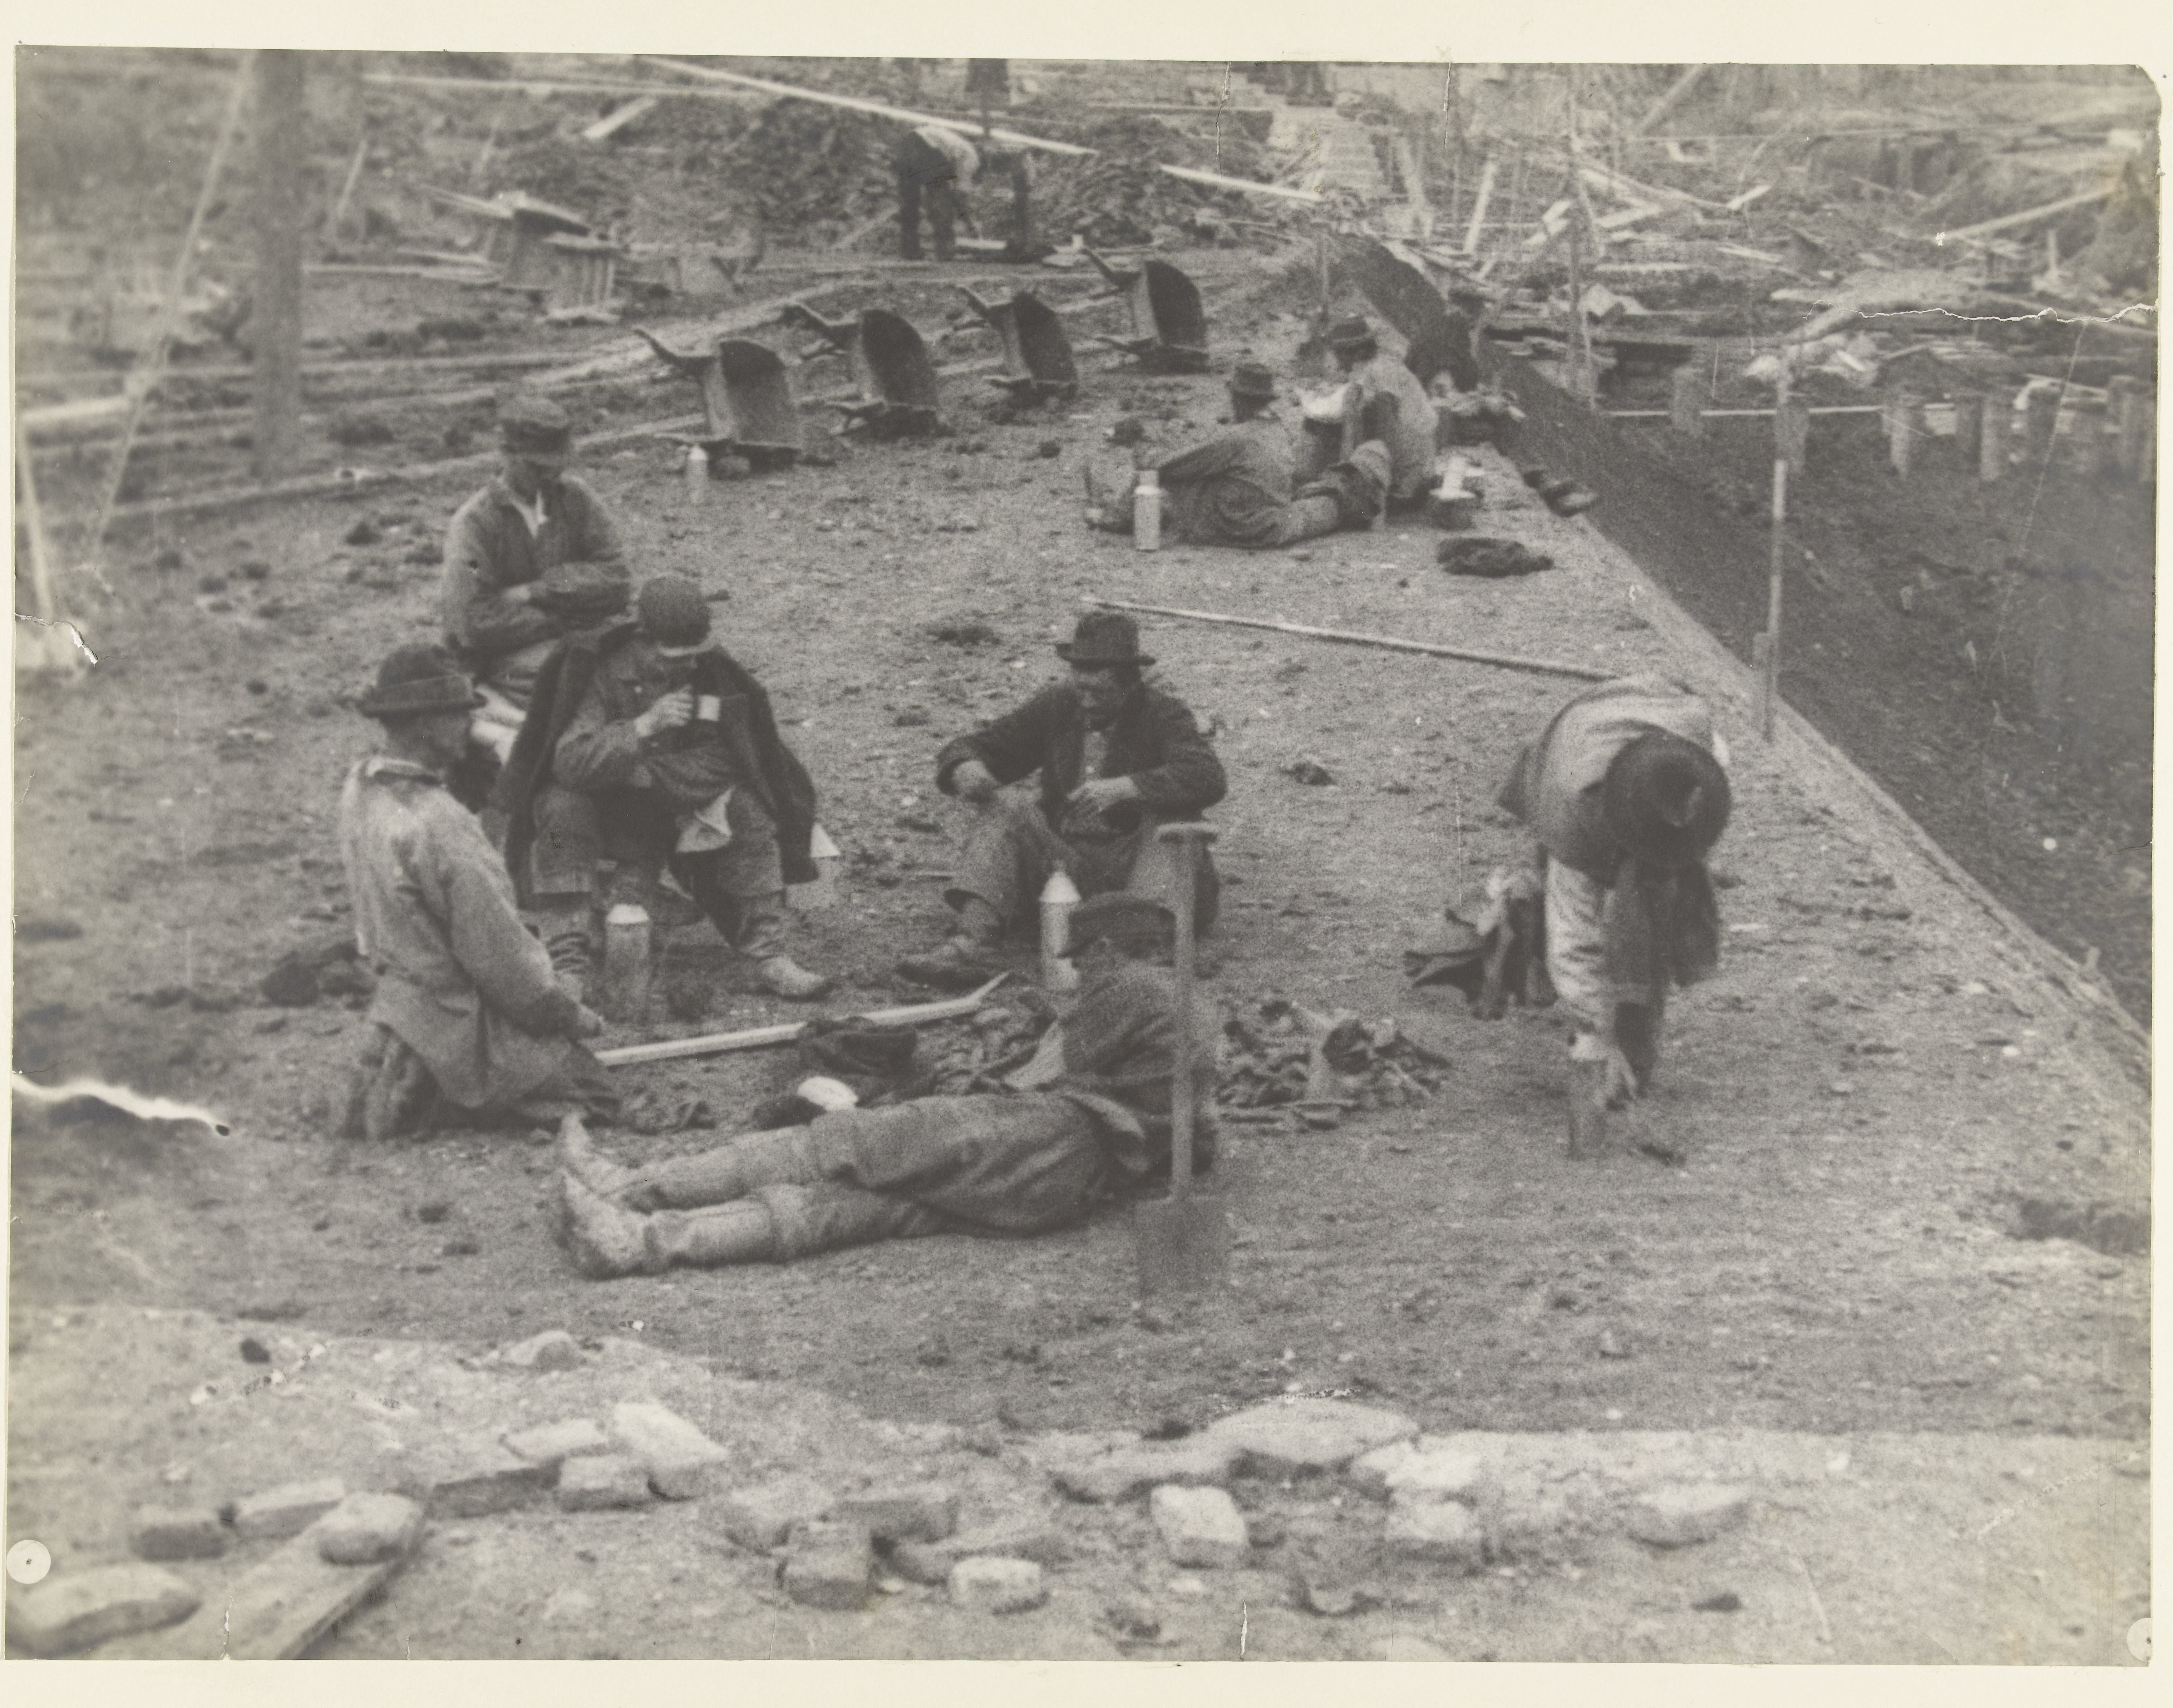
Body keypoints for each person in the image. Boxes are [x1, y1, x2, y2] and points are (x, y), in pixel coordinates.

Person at [557, 893, 1218, 1275]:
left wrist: (943, 1094)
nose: (1079, 974)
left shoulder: (1133, 987)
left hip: (1049, 1132)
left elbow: (1037, 1076)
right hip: (1066, 1183)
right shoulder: (1193, 1003)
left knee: (841, 1143)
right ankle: (638, 1242)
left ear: (1105, 950)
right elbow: (1199, 1133)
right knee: (859, 1209)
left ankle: (629, 1191)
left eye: (1083, 960)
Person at [496, 576, 834, 1003]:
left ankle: (768, 955)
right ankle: (567, 965)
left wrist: (650, 776)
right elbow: (569, 763)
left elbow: (729, 758)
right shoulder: (600, 671)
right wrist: (642, 727)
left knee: (748, 809)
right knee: (558, 816)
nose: (686, 666)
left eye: (693, 655)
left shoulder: (709, 673)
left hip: (672, 802)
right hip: (599, 809)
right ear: (643, 639)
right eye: (673, 656)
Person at [337, 645, 612, 1142]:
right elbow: (500, 958)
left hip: (399, 997)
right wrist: (567, 1014)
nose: (470, 723)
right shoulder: (442, 823)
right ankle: (439, 1090)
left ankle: (411, 1065)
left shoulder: (360, 787)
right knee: (598, 1094)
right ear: (425, 724)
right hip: (458, 1013)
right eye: (458, 713)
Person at [897, 612, 1225, 988]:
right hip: (1066, 872)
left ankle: (1145, 951)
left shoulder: (1163, 714)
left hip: (1142, 873)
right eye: (1080, 688)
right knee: (1008, 807)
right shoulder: (1059, 705)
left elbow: (1207, 777)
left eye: (1100, 693)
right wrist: (965, 766)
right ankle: (973, 943)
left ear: (1131, 685)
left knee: (1173, 823)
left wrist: (1128, 787)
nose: (1087, 701)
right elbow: (984, 745)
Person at [1495, 674, 1731, 1142]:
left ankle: (1640, 1038)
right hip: (1576, 748)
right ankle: (1592, 1047)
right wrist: (1598, 1035)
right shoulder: (1572, 818)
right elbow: (1574, 944)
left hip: (1655, 717)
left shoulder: (1705, 768)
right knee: (1565, 930)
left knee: (1655, 914)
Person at [441, 396, 630, 772]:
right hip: (506, 661)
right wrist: (565, 618)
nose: (549, 476)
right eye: (536, 466)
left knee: (634, 671)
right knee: (570, 681)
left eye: (556, 465)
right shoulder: (475, 525)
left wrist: (538, 591)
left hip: (574, 639)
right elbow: (474, 623)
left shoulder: (576, 499)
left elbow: (617, 578)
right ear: (506, 454)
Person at [1083, 362, 1384, 548]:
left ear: (1238, 399)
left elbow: (1164, 465)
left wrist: (1139, 443)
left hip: (1240, 528)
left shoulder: (1236, 439)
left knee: (1159, 477)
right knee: (1334, 501)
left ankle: (1114, 518)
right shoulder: (1277, 429)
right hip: (1278, 520)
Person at [1295, 315, 1441, 514]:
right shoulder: (1379, 369)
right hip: (1416, 472)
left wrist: (1371, 480)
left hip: (1408, 483)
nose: (1335, 360)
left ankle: (1326, 484)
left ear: (1357, 352)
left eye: (1338, 353)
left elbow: (1387, 433)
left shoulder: (1380, 377)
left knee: (1326, 424)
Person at [893, 122, 980, 262]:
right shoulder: (972, 159)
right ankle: (945, 250)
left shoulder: (958, 147)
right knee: (941, 200)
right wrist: (970, 224)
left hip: (908, 143)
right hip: (929, 148)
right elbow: (960, 195)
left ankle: (910, 250)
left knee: (910, 201)